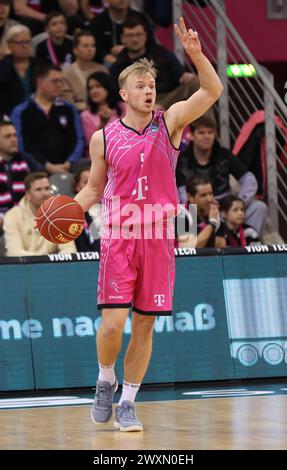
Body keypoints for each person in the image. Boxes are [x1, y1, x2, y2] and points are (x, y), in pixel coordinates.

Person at [74, 17, 223, 431]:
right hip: (120, 235)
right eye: (140, 85)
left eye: (152, 85)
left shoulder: (171, 121)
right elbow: (91, 190)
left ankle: (128, 402)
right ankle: (106, 377)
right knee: (113, 325)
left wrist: (196, 54)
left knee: (143, 326)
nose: (149, 90)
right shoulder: (103, 137)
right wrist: (67, 210)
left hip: (158, 237)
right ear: (124, 94)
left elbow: (213, 90)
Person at [176, 116, 268, 237]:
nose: (207, 136)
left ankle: (249, 244)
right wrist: (202, 205)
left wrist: (238, 203)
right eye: (201, 132)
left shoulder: (224, 154)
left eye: (210, 132)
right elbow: (181, 191)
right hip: (195, 208)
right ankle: (194, 250)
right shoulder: (182, 159)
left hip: (225, 207)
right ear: (191, 135)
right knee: (181, 213)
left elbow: (249, 179)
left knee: (259, 208)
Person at [11, 62, 84, 174]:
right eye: (55, 81)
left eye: (61, 81)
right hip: (35, 172)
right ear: (40, 82)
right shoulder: (21, 111)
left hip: (68, 169)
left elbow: (78, 139)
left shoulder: (69, 108)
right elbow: (22, 145)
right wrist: (45, 166)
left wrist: (69, 163)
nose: (60, 85)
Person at [3, 171, 76, 255]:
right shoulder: (12, 216)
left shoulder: (60, 215)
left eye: (47, 188)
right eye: (38, 189)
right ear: (27, 194)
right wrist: (44, 261)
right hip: (22, 267)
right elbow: (14, 252)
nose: (44, 193)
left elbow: (69, 250)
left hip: (51, 266)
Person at [61, 30, 107, 111]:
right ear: (75, 50)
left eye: (93, 46)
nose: (90, 49)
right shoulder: (66, 73)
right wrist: (86, 107)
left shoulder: (102, 70)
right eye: (85, 46)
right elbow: (67, 102)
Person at [177, 175, 226, 248]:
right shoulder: (181, 214)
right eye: (203, 195)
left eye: (210, 194)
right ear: (190, 197)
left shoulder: (214, 214)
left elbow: (220, 247)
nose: (209, 199)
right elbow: (189, 248)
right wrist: (212, 223)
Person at [81, 71, 123, 154]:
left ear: (107, 87)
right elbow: (92, 145)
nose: (94, 91)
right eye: (90, 88)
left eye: (98, 86)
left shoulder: (123, 107)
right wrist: (103, 123)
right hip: (100, 158)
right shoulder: (85, 115)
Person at [0, 24, 37, 116]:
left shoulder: (38, 65)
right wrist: (8, 58)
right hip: (8, 116)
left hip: (36, 115)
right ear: (9, 44)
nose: (25, 46)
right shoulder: (3, 66)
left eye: (28, 42)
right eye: (20, 43)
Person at [72, 164, 101, 252]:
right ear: (77, 187)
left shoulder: (111, 210)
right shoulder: (70, 215)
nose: (92, 186)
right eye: (86, 182)